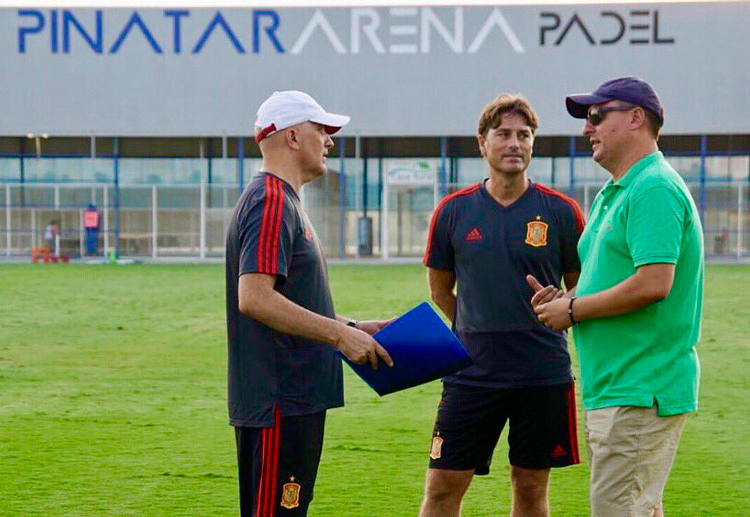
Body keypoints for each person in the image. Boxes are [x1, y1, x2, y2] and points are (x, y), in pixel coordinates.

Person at [532, 77, 704, 517]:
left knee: (618, 509)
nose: (587, 129)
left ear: (635, 118)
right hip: (618, 387)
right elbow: (613, 278)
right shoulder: (622, 189)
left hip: (639, 388)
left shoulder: (653, 188)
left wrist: (571, 309)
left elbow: (653, 283)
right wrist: (566, 300)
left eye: (595, 116)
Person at [225, 90, 393, 517]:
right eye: (323, 130)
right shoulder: (271, 201)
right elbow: (256, 297)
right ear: (294, 137)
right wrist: (339, 337)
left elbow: (287, 298)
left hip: (295, 399)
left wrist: (353, 325)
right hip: (280, 400)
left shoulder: (284, 201)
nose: (330, 141)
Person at [420, 93, 585, 517]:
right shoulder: (452, 212)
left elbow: (583, 290)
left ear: (533, 144)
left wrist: (563, 304)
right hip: (471, 374)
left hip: (541, 373)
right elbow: (441, 290)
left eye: (524, 135)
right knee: (442, 488)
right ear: (482, 143)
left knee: (530, 490)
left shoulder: (562, 212)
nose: (515, 143)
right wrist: (474, 329)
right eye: (505, 134)